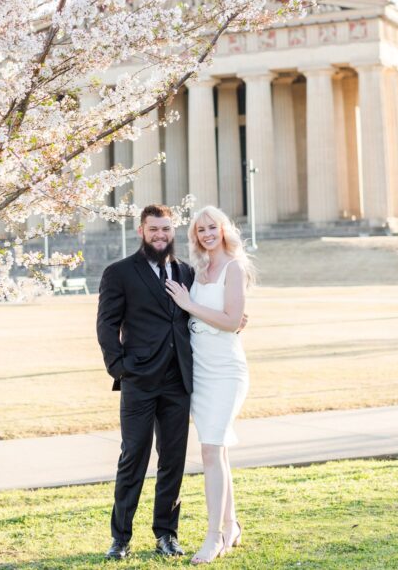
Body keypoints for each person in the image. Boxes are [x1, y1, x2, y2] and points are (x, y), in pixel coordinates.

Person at [96, 204, 196, 560]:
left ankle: (166, 534)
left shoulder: (186, 271)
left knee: (173, 460)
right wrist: (120, 368)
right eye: (154, 229)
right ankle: (120, 538)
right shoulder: (120, 272)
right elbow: (106, 325)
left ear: (173, 232)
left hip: (177, 381)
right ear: (141, 231)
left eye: (166, 229)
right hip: (139, 379)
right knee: (133, 457)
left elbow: (191, 319)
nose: (160, 235)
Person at [164, 205, 252, 565]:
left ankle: (213, 536)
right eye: (200, 230)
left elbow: (232, 321)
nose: (206, 234)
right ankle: (231, 526)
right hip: (198, 369)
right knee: (219, 451)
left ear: (223, 228)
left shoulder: (234, 267)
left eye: (212, 227)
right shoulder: (197, 269)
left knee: (210, 450)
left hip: (226, 370)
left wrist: (188, 304)